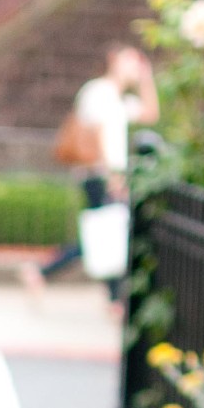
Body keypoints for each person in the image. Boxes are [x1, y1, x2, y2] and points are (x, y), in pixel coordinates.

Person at [34, 43, 159, 285]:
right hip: (98, 173)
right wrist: (113, 176)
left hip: (106, 174)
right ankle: (45, 273)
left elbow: (150, 114)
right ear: (113, 60)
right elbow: (100, 134)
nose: (133, 68)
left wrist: (146, 79)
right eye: (129, 61)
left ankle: (42, 273)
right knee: (108, 232)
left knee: (105, 232)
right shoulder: (99, 92)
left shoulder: (119, 98)